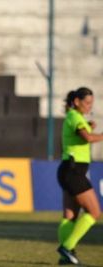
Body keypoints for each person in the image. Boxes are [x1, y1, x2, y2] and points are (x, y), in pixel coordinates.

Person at [56, 87, 103, 265]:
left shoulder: (74, 117)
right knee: (94, 212)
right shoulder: (75, 117)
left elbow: (82, 134)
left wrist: (89, 127)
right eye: (87, 102)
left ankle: (64, 257)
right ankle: (67, 247)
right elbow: (87, 138)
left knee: (69, 216)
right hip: (74, 171)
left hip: (68, 169)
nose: (90, 106)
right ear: (77, 102)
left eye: (92, 102)